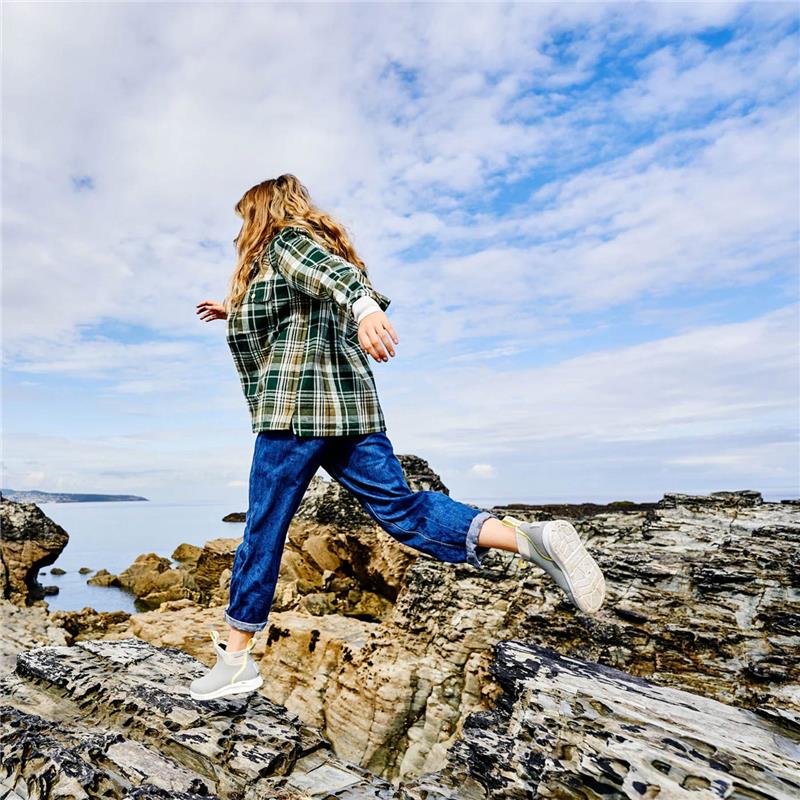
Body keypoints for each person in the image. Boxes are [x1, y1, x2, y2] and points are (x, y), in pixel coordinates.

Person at [189, 174, 605, 701]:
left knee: (263, 529)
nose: (240, 234)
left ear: (260, 214)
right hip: (351, 412)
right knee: (402, 509)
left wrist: (365, 308)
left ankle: (236, 661)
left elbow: (332, 277)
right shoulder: (315, 247)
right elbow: (314, 294)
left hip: (294, 410)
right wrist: (236, 310)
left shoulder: (285, 243)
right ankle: (528, 538)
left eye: (244, 220)